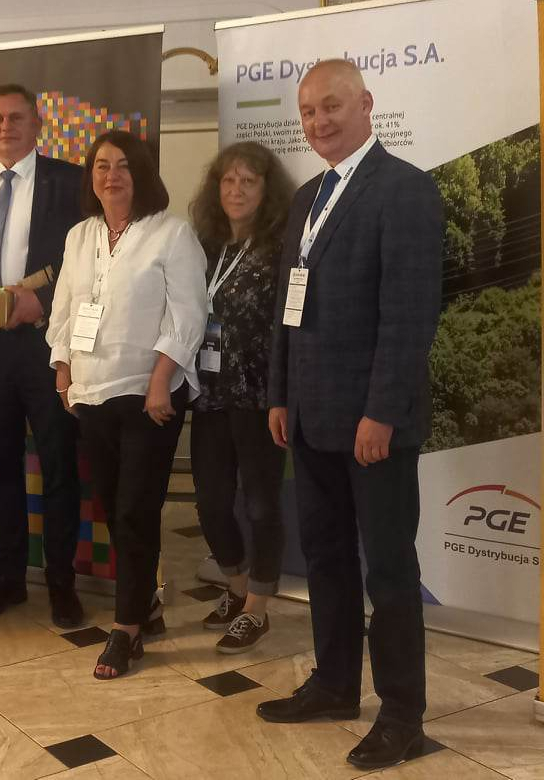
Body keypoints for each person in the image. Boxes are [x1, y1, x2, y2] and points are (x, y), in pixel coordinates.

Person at [259, 60, 443, 771]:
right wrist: (280, 393)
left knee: (388, 571)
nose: (318, 122)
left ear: (366, 104)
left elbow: (408, 317)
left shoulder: (404, 190)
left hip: (373, 427)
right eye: (307, 111)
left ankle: (402, 715)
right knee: (326, 559)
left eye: (331, 106)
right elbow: (289, 306)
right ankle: (335, 685)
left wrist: (382, 412)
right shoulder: (307, 196)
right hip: (309, 418)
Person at [47, 130, 206, 678]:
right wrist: (63, 371)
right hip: (91, 393)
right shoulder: (80, 235)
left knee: (136, 509)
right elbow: (65, 307)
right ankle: (145, 604)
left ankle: (125, 629)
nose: (111, 175)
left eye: (122, 165)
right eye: (101, 165)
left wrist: (162, 380)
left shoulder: (172, 233)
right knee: (115, 508)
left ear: (141, 173)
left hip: (147, 396)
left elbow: (188, 314)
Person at [0, 83, 84, 627]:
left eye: (16, 118)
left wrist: (44, 302)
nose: (5, 127)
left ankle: (61, 585)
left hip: (48, 347)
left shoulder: (71, 181)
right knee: (1, 468)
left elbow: (89, 262)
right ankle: (9, 579)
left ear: (37, 123)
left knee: (59, 468)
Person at [188, 142, 294, 653]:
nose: (236, 190)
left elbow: (288, 329)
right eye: (228, 180)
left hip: (258, 397)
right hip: (208, 393)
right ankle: (236, 584)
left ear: (266, 191)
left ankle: (256, 608)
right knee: (210, 502)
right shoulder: (205, 246)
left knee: (260, 505)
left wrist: (283, 394)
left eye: (248, 181)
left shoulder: (280, 249)